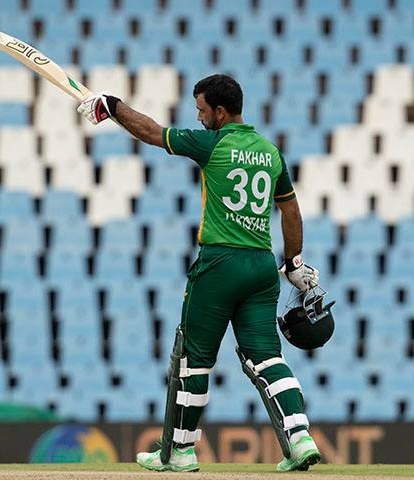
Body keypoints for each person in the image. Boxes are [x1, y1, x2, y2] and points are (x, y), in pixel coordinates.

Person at [78, 74, 322, 472]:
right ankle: (299, 438)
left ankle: (178, 453)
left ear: (220, 112)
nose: (199, 116)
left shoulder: (212, 143)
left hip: (219, 264)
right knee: (266, 357)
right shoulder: (269, 151)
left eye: (202, 110)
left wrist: (113, 106)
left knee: (192, 358)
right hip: (261, 267)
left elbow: (152, 133)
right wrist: (293, 263)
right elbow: (290, 210)